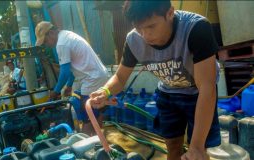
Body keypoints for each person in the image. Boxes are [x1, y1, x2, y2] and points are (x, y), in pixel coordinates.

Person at [90, 1, 221, 160]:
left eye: (151, 26)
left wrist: (197, 147)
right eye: (139, 28)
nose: (145, 36)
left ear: (170, 13)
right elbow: (120, 77)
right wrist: (105, 91)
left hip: (197, 93)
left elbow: (207, 87)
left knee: (198, 152)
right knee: (172, 145)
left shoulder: (196, 28)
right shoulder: (133, 40)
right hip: (168, 92)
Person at [35, 21, 109, 135]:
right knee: (97, 113)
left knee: (87, 118)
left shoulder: (61, 44)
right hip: (100, 76)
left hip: (92, 80)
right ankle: (98, 141)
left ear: (51, 33)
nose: (46, 44)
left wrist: (55, 91)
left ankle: (87, 148)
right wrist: (69, 86)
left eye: (45, 41)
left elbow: (64, 72)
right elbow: (72, 69)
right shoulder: (66, 35)